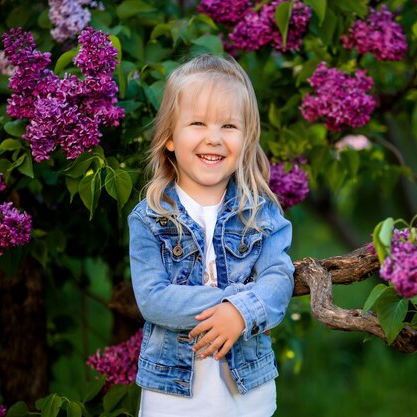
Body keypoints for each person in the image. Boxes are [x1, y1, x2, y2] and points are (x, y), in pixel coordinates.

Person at [128, 54, 294, 417]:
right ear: (170, 138)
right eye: (198, 123)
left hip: (247, 394)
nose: (214, 138)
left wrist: (241, 313)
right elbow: (152, 298)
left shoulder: (261, 214)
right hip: (171, 398)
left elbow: (279, 278)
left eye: (229, 126)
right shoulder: (150, 218)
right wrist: (227, 304)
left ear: (247, 137)